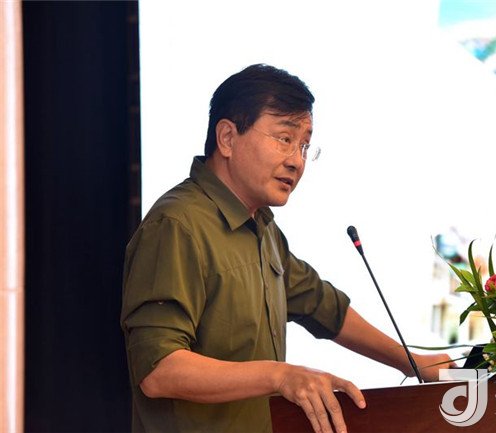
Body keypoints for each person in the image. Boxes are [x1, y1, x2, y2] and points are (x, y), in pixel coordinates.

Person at [120, 64, 453, 433]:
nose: (297, 160)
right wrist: (280, 376)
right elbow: (159, 370)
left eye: (305, 145)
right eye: (284, 138)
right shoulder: (177, 225)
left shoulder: (261, 227)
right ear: (227, 138)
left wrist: (411, 361)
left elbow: (322, 306)